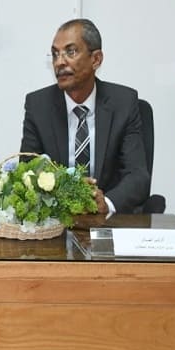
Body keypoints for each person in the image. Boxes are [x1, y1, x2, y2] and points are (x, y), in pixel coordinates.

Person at [19, 18, 149, 214]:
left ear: (96, 59)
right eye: (55, 54)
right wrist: (67, 192)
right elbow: (28, 171)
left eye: (70, 52)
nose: (60, 62)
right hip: (57, 218)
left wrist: (106, 203)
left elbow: (137, 176)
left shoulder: (124, 103)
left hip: (108, 222)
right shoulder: (38, 106)